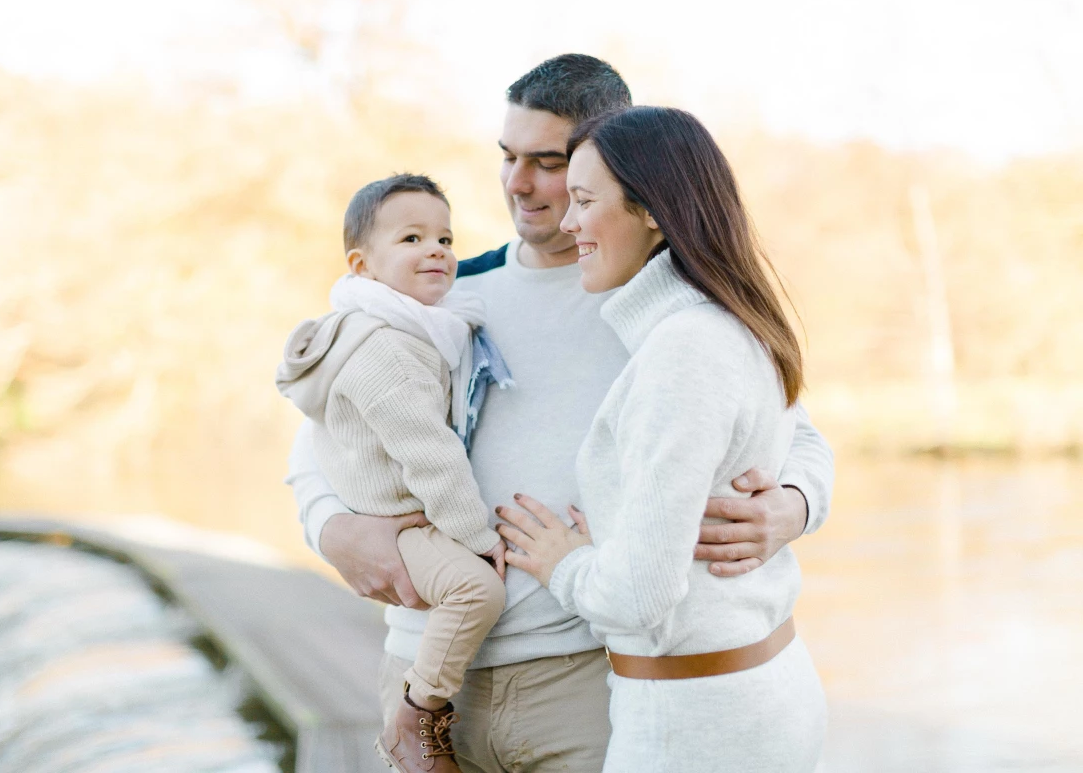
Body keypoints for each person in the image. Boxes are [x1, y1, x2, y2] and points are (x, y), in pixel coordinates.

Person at [287, 54, 834, 773]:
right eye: (508, 156)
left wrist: (792, 507)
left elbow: (794, 433)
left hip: (579, 678)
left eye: (547, 163)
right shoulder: (442, 292)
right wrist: (333, 529)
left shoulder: (653, 303)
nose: (519, 183)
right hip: (426, 670)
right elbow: (327, 430)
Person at [499, 106, 827, 771]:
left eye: (585, 201)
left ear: (651, 209)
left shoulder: (685, 348)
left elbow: (637, 598)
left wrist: (561, 560)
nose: (568, 222)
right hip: (748, 695)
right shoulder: (721, 322)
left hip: (695, 722)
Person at [276, 174, 512, 772]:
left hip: (406, 512)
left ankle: (422, 704)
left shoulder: (419, 328)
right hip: (399, 520)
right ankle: (418, 712)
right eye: (412, 237)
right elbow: (432, 454)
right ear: (362, 265)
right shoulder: (384, 348)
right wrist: (477, 541)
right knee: (476, 589)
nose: (436, 249)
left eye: (444, 237)